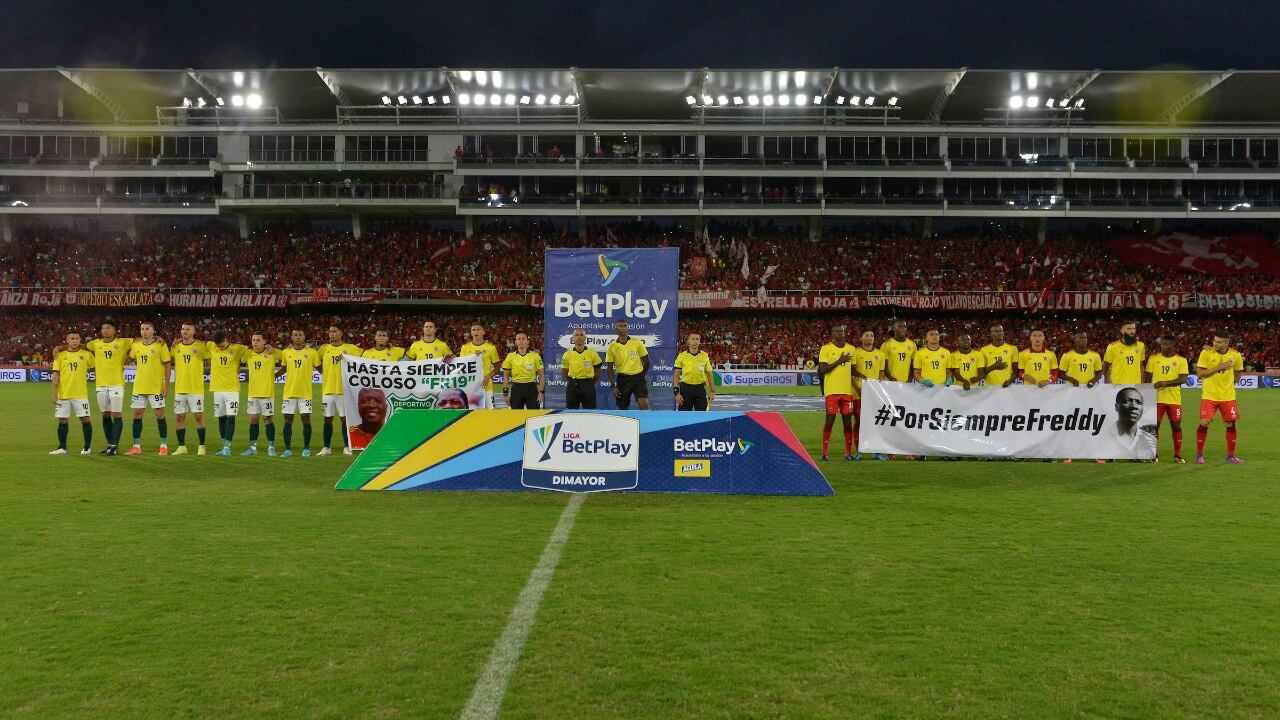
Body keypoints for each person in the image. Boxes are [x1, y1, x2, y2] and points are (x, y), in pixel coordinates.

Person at [1195, 332, 1245, 464]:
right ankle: (1199, 454)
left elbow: (1238, 373)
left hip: (1228, 397)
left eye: (1218, 342)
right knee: (1204, 422)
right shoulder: (1206, 353)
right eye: (1214, 341)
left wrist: (1228, 384)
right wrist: (1220, 367)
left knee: (1230, 424)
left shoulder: (1235, 355)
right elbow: (1200, 374)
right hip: (1209, 395)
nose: (1215, 344)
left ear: (1226, 343)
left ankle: (1231, 456)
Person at [85, 320, 131, 455]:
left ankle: (115, 445)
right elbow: (79, 346)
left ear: (114, 330)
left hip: (116, 383)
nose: (105, 330)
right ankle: (110, 444)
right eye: (103, 328)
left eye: (108, 328)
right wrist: (61, 347)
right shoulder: (95, 343)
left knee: (116, 414)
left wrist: (157, 338)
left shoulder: (123, 342)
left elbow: (141, 341)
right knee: (105, 415)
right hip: (100, 385)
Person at [125, 322, 171, 456]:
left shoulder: (160, 345)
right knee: (137, 415)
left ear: (153, 331)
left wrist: (166, 384)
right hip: (139, 386)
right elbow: (131, 358)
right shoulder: (136, 345)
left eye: (147, 329)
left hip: (156, 387)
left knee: (160, 415)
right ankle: (136, 446)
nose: (144, 331)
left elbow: (167, 364)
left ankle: (163, 445)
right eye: (142, 329)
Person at [1145, 336, 1190, 463]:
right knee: (1155, 427)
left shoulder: (1181, 360)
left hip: (1174, 399)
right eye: (1162, 344)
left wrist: (1165, 383)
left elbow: (1183, 380)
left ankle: (1177, 455)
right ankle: (1154, 455)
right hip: (1156, 399)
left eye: (1166, 344)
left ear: (1173, 345)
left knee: (1176, 426)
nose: (1163, 346)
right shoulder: (1153, 359)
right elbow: (1147, 379)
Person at [319, 325, 362, 456]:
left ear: (341, 333)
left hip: (344, 391)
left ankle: (347, 446)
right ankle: (326, 447)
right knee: (327, 419)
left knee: (345, 419)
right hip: (327, 391)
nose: (331, 334)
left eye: (334, 331)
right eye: (330, 331)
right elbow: (314, 361)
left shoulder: (352, 349)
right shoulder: (323, 349)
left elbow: (367, 356)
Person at [49, 331, 94, 455]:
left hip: (81, 394)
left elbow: (97, 367)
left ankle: (87, 447)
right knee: (62, 421)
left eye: (77, 338)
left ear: (80, 340)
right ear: (67, 340)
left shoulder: (87, 354)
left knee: (85, 419)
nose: (75, 341)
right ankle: (62, 447)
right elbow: (55, 375)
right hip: (63, 394)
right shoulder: (60, 355)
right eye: (72, 338)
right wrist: (54, 393)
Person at [170, 322, 210, 455]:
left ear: (194, 332)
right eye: (182, 329)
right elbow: (168, 360)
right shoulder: (176, 347)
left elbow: (210, 361)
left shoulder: (200, 346)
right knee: (179, 418)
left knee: (198, 417)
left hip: (195, 389)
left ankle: (202, 446)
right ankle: (182, 447)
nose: (184, 331)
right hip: (180, 389)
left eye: (188, 329)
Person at [280, 329, 320, 458]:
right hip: (289, 392)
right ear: (291, 337)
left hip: (305, 393)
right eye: (295, 335)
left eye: (300, 335)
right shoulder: (286, 352)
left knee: (306, 420)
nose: (298, 337)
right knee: (287, 420)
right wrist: (272, 376)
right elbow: (284, 368)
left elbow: (320, 369)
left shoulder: (312, 353)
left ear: (304, 337)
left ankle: (306, 448)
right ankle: (287, 449)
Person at [818, 326, 856, 461]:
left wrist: (866, 377)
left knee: (847, 422)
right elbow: (823, 369)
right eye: (837, 331)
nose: (840, 333)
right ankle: (825, 452)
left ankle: (847, 453)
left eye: (842, 331)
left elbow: (853, 370)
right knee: (830, 420)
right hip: (832, 391)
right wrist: (840, 360)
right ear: (832, 334)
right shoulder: (826, 348)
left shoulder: (851, 349)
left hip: (847, 392)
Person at [241, 332, 283, 457]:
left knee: (267, 419)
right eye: (253, 340)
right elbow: (238, 356)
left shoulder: (272, 353)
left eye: (258, 340)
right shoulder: (248, 354)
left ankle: (271, 447)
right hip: (252, 393)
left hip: (267, 393)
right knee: (253, 420)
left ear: (264, 341)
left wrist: (276, 375)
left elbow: (287, 356)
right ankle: (253, 447)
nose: (255, 342)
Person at [207, 331, 248, 457]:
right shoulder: (210, 345)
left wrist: (268, 347)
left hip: (232, 390)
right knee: (221, 418)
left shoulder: (238, 348)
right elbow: (196, 342)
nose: (220, 347)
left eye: (222, 345)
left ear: (226, 339)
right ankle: (224, 445)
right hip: (217, 390)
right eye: (218, 346)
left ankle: (227, 447)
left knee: (231, 417)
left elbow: (254, 349)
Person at [850, 330, 887, 461]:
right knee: (859, 422)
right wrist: (857, 388)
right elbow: (851, 373)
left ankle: (877, 452)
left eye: (872, 335)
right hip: (858, 393)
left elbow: (881, 373)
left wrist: (880, 385)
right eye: (867, 335)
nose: (870, 337)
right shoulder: (855, 352)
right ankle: (859, 451)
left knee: (876, 423)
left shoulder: (880, 354)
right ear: (861, 338)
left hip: (874, 395)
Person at [605, 320, 650, 410]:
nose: (623, 328)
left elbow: (647, 361)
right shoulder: (612, 347)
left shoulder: (636, 342)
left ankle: (647, 423)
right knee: (623, 408)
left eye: (625, 326)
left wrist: (641, 375)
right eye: (620, 326)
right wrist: (614, 386)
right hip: (623, 379)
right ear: (616, 329)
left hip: (638, 378)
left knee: (644, 406)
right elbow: (609, 369)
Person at [459, 322, 501, 408]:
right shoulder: (465, 348)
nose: (476, 332)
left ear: (483, 332)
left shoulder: (491, 348)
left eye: (478, 329)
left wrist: (488, 376)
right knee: (474, 414)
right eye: (473, 330)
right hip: (472, 387)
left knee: (490, 413)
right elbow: (461, 367)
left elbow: (497, 367)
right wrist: (473, 357)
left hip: (487, 386)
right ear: (471, 333)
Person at [501, 332, 545, 409]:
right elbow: (505, 376)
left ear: (527, 342)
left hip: (531, 388)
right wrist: (505, 394)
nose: (521, 341)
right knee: (516, 417)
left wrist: (541, 392)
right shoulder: (510, 356)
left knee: (534, 416)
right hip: (516, 389)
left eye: (523, 339)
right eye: (519, 339)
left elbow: (542, 376)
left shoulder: (535, 356)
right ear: (515, 342)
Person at [561, 327, 602, 409]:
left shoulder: (592, 352)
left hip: (588, 384)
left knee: (590, 411)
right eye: (576, 335)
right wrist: (572, 381)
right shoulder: (567, 354)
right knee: (571, 412)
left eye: (581, 335)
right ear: (573, 338)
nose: (579, 337)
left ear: (585, 337)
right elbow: (564, 370)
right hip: (573, 384)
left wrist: (591, 382)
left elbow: (598, 368)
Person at [673, 333, 714, 411]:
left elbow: (709, 374)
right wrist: (676, 393)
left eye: (697, 339)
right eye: (692, 339)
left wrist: (712, 391)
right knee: (684, 418)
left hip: (700, 389)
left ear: (699, 341)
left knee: (702, 418)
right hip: (685, 390)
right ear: (688, 341)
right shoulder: (682, 356)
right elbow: (676, 376)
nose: (695, 341)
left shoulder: (705, 356)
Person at [1103, 320, 1146, 385]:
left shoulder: (1141, 345)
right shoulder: (1112, 346)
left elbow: (1141, 365)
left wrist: (1142, 382)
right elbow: (1106, 367)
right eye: (1129, 329)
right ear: (1122, 331)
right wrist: (1107, 383)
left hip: (1135, 385)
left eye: (1134, 329)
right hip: (1117, 385)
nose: (1132, 331)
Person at [979, 324, 1018, 388]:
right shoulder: (984, 350)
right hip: (990, 388)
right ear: (991, 334)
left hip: (1007, 387)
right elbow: (981, 373)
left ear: (1003, 333)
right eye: (996, 331)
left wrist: (1010, 381)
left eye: (1001, 331)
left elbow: (1015, 370)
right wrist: (993, 367)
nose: (999, 333)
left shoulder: (1013, 348)